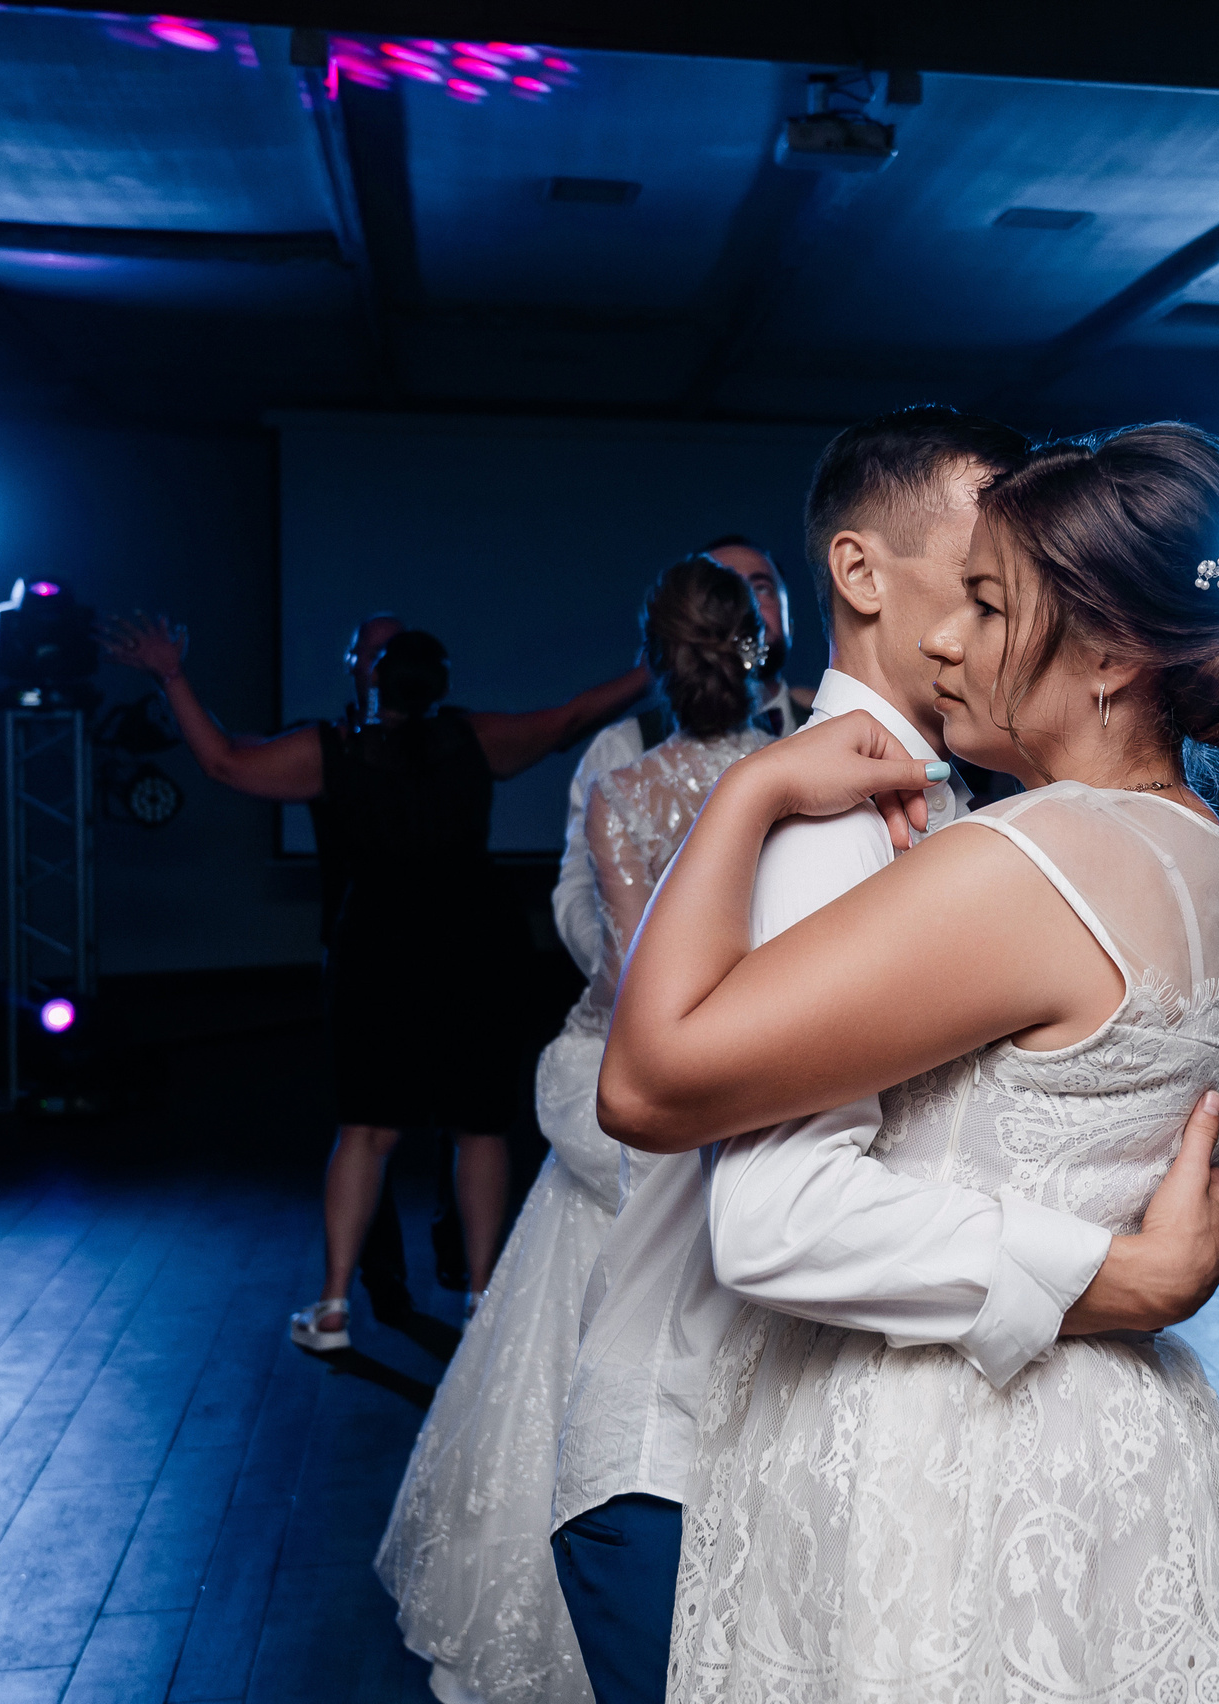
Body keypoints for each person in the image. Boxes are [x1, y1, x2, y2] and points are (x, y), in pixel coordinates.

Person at [597, 420, 1219, 1700]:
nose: (944, 642)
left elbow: (652, 1087)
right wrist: (1124, 1277)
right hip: (1126, 1462)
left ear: (1107, 654)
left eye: (987, 606)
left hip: (953, 1468)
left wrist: (747, 792)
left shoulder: (1023, 862)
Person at [375, 556, 773, 1704]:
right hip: (747, 1090)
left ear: (652, 658)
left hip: (629, 1079)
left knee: (569, 1335)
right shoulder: (799, 776)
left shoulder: (623, 790)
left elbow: (628, 972)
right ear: (753, 647)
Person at [100, 611, 648, 1349]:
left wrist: (172, 674)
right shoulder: (467, 738)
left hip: (382, 949)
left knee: (379, 1129)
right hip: (467, 943)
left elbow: (227, 762)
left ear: (370, 673)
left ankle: (339, 1307)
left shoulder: (335, 751)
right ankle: (475, 1300)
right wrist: (665, 663)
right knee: (470, 1127)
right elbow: (573, 715)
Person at [552, 536, 809, 979]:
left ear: (788, 611)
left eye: (760, 586)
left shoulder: (824, 727)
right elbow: (579, 891)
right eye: (718, 592)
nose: (740, 600)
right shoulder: (621, 749)